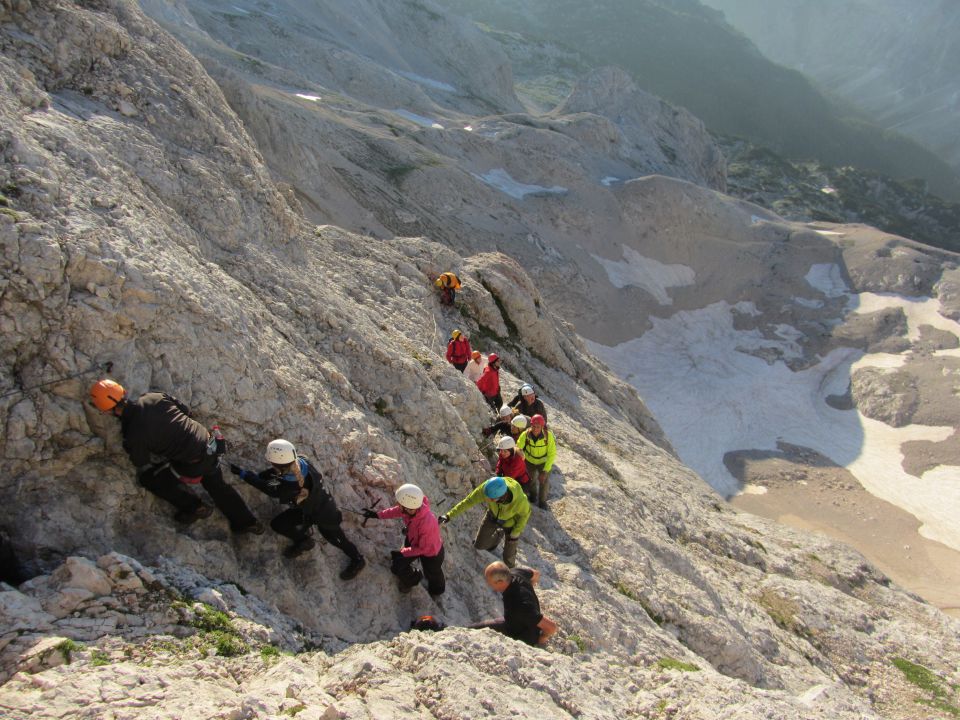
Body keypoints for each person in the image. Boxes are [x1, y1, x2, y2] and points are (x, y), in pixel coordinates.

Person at [90, 379, 263, 534]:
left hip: (192, 464)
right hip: (210, 444)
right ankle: (247, 522)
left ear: (108, 410)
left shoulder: (133, 433)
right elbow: (185, 411)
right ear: (124, 392)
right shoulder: (154, 397)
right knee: (217, 484)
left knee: (150, 479)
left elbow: (141, 461)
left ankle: (194, 507)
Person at [230, 439, 366, 579]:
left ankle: (358, 559)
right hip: (311, 508)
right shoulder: (302, 461)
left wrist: (244, 474)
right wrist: (261, 476)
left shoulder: (288, 486)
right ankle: (303, 540)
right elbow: (276, 474)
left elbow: (267, 487)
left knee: (337, 539)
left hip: (323, 513)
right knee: (278, 524)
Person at [362, 483, 444, 596]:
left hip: (431, 552)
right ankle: (413, 577)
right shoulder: (412, 509)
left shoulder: (427, 523)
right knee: (397, 565)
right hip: (413, 540)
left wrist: (404, 552)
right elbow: (395, 511)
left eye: (400, 504)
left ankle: (436, 590)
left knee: (433, 573)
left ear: (409, 508)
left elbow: (423, 548)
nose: (397, 505)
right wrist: (377, 515)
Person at [439, 476, 530, 568]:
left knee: (509, 555)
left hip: (510, 522)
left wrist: (516, 532)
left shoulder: (519, 500)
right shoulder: (487, 489)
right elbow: (468, 501)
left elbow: (525, 514)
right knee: (479, 545)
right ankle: (498, 535)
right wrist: (449, 515)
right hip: (492, 516)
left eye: (492, 499)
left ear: (503, 496)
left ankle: (511, 569)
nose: (488, 500)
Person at [470, 561, 557, 647]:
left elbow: (551, 627)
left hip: (522, 636)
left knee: (473, 632)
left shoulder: (520, 604)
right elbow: (536, 574)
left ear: (500, 582)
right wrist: (529, 588)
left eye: (489, 582)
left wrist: (542, 639)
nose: (488, 584)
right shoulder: (516, 572)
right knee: (472, 629)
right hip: (513, 621)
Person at [516, 414, 556, 510]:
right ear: (531, 425)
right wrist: (520, 453)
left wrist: (545, 471)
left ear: (542, 427)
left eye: (538, 427)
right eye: (533, 426)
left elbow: (552, 454)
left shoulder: (548, 436)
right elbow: (518, 446)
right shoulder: (525, 435)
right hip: (529, 461)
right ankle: (533, 496)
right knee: (530, 479)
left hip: (543, 462)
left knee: (544, 481)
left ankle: (542, 502)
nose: (535, 429)